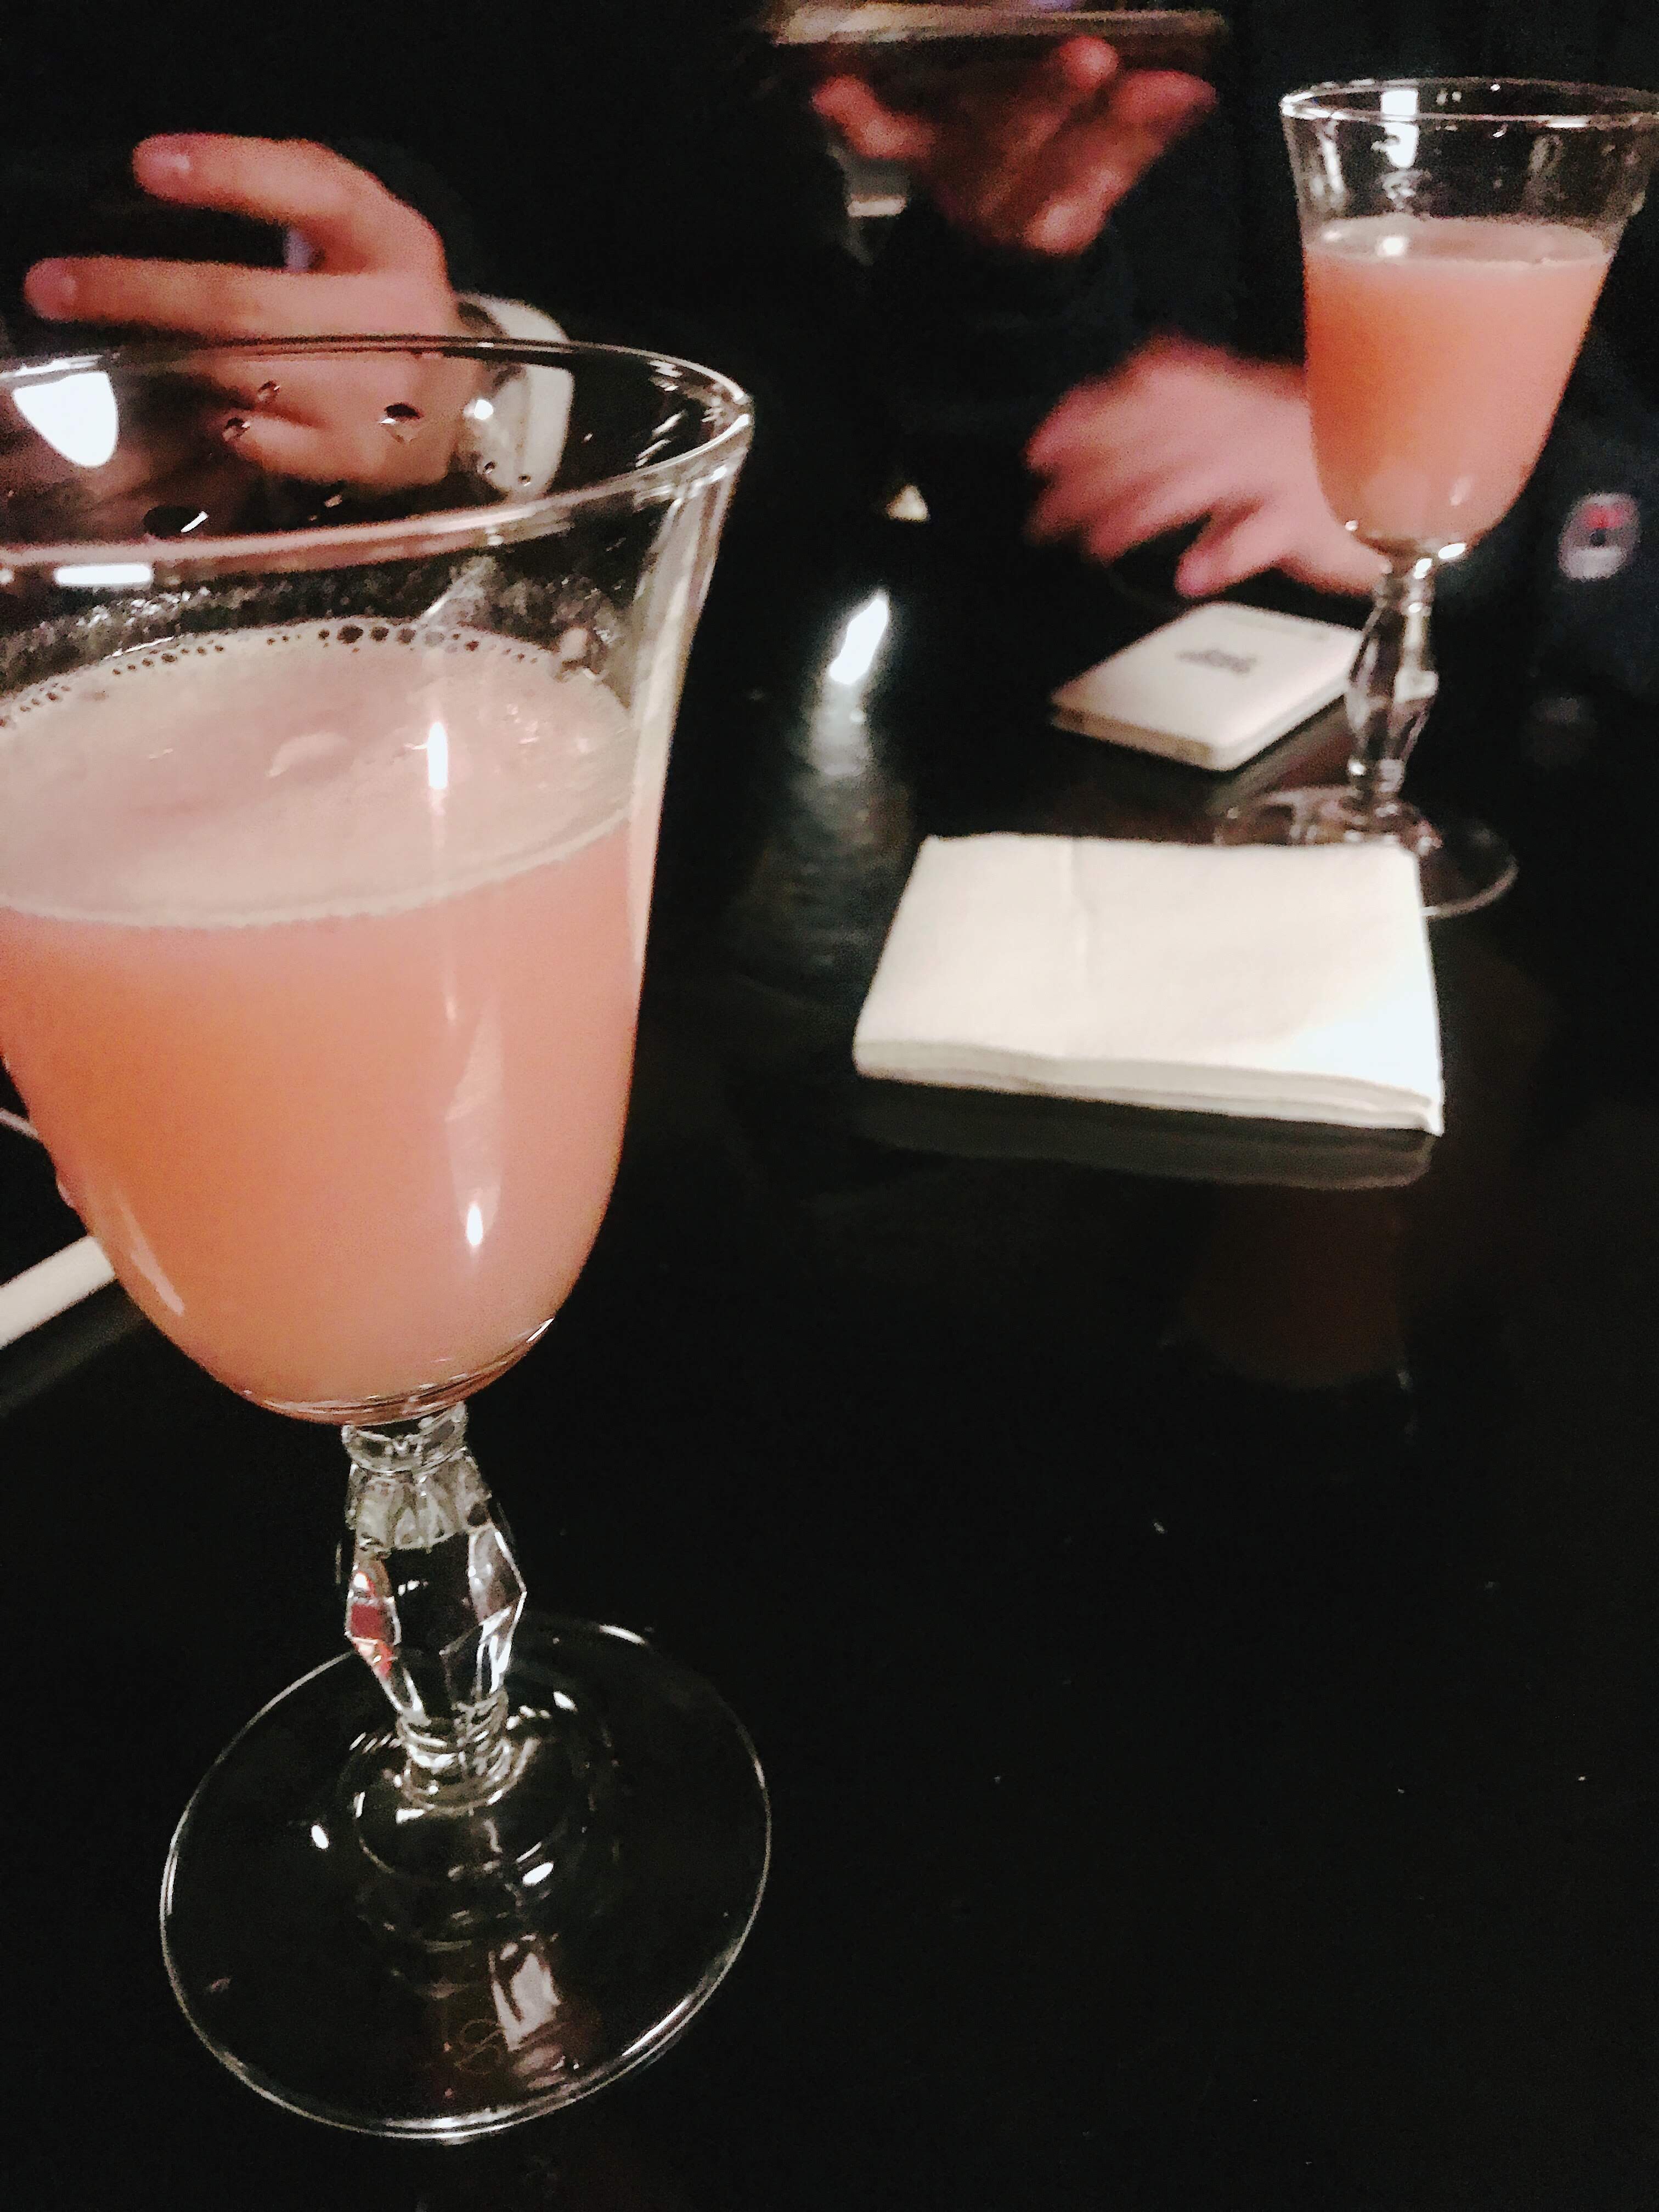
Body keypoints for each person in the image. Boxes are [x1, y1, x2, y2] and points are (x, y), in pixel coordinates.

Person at [823, 3, 1659, 706]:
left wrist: (1488, 501)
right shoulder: (1212, 38)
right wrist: (1012, 265)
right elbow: (1058, 471)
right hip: (1180, 712)